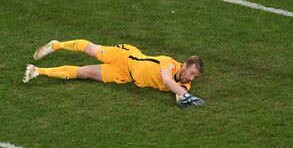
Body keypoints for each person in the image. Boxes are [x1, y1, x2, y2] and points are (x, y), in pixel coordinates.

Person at [22, 39, 206, 108]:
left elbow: (178, 93)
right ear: (183, 65)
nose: (190, 78)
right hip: (125, 56)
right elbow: (167, 80)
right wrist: (185, 95)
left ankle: (37, 71)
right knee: (92, 50)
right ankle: (56, 45)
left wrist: (183, 96)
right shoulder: (168, 64)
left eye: (194, 77)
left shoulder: (184, 84)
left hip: (124, 75)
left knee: (84, 73)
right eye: (190, 72)